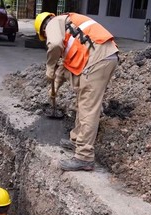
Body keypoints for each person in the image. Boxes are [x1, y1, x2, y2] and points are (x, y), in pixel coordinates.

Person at [34, 12, 119, 172]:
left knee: (88, 107)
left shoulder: (54, 23)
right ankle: (76, 140)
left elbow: (55, 45)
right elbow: (63, 68)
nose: (46, 40)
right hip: (101, 56)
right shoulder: (68, 26)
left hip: (99, 59)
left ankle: (84, 157)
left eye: (44, 38)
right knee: (83, 101)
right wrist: (54, 88)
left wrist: (49, 66)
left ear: (43, 30)